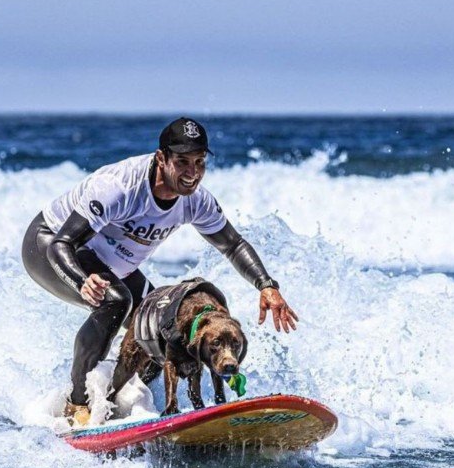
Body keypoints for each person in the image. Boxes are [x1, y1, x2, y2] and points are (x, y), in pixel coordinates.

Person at [21, 117, 298, 425]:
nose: (192, 173)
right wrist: (82, 281)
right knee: (116, 301)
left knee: (159, 328)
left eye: (199, 162)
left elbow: (233, 245)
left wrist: (266, 285)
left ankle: (120, 400)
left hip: (109, 261)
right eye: (182, 162)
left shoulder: (196, 200)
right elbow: (62, 243)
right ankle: (77, 405)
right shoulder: (120, 187)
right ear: (161, 158)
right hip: (49, 246)